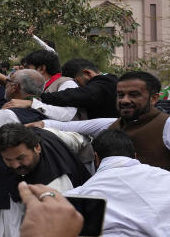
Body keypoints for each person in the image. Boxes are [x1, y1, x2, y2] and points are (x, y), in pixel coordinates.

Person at [39, 71, 170, 171]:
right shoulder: (113, 124)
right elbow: (71, 126)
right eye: (120, 95)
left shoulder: (166, 125)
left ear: (153, 98)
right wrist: (41, 123)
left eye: (133, 95)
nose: (124, 100)